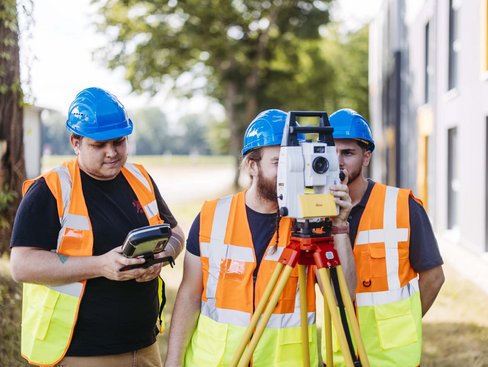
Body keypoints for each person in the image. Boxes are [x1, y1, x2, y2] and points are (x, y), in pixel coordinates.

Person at [164, 109, 355, 367]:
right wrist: (173, 362)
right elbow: (189, 295)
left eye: (294, 162)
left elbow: (343, 294)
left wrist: (340, 226)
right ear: (252, 165)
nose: (288, 172)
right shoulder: (212, 216)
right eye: (279, 163)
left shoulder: (308, 220)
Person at [10, 87, 185, 367]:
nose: (111, 153)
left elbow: (175, 232)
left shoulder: (140, 177)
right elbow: (22, 265)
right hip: (81, 352)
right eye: (99, 145)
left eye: (119, 142)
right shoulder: (51, 189)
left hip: (144, 344)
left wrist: (164, 258)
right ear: (75, 142)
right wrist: (101, 265)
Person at [323, 108, 445, 366]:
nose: (338, 162)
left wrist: (402, 324)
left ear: (366, 156)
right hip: (338, 354)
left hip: (390, 358)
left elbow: (434, 278)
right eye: (331, 152)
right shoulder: (315, 214)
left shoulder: (403, 205)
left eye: (348, 153)